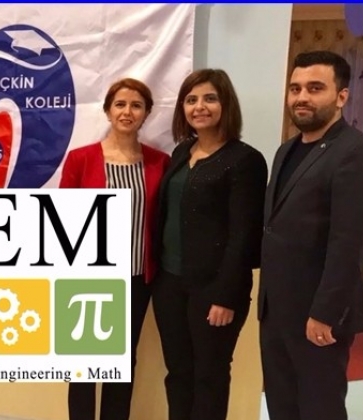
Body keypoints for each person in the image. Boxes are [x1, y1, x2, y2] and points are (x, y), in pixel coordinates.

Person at [152, 69, 267, 420]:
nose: (199, 107)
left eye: (209, 98)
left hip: (214, 288)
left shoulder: (245, 160)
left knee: (209, 376)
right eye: (191, 100)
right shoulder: (181, 152)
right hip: (170, 283)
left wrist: (226, 295)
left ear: (226, 104)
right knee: (178, 372)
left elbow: (243, 234)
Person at [259, 50, 363, 420]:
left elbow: (349, 242)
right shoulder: (286, 150)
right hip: (276, 311)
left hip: (318, 316)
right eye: (295, 88)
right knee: (282, 407)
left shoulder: (356, 151)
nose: (301, 97)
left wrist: (325, 313)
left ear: (341, 96)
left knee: (320, 410)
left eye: (315, 88)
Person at [59, 78, 169, 420]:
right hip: (88, 278)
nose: (127, 112)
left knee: (122, 362)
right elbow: (63, 221)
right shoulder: (80, 159)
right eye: (120, 104)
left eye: (136, 105)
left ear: (146, 113)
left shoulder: (160, 163)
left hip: (137, 278)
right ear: (108, 111)